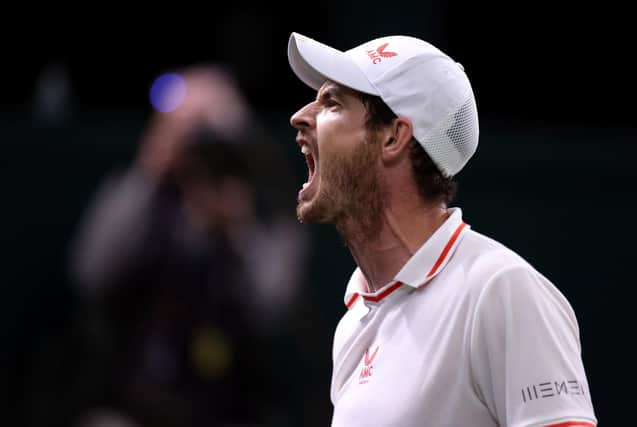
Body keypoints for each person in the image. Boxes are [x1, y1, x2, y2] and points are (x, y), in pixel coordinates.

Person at [286, 32, 597, 427]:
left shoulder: (500, 289)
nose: (300, 116)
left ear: (394, 137)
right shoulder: (354, 321)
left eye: (332, 102)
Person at [66, 63, 326, 427]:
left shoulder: (267, 214)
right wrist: (152, 165)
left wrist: (238, 228)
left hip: (234, 408)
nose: (205, 165)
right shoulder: (147, 200)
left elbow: (275, 306)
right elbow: (90, 270)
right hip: (136, 404)